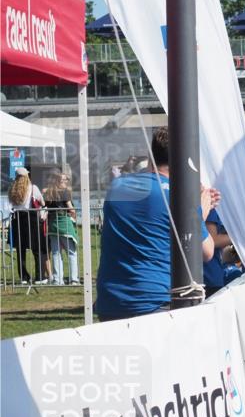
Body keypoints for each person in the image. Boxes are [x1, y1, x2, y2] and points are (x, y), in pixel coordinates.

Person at [96, 127, 217, 321]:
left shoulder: (117, 187)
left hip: (111, 302)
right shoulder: (178, 198)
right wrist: (201, 209)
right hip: (155, 302)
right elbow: (206, 251)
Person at [7, 167, 48, 284]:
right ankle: (40, 276)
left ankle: (24, 277)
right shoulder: (33, 188)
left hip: (17, 219)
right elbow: (42, 202)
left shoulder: (12, 189)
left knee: (21, 249)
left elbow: (12, 205)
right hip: (31, 219)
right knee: (37, 248)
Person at [43, 171, 80, 285]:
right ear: (58, 181)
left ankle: (57, 279)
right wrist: (74, 215)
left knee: (56, 253)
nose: (66, 182)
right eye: (64, 180)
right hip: (64, 223)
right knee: (71, 253)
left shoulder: (48, 192)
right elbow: (71, 209)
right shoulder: (65, 192)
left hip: (53, 225)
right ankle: (74, 279)